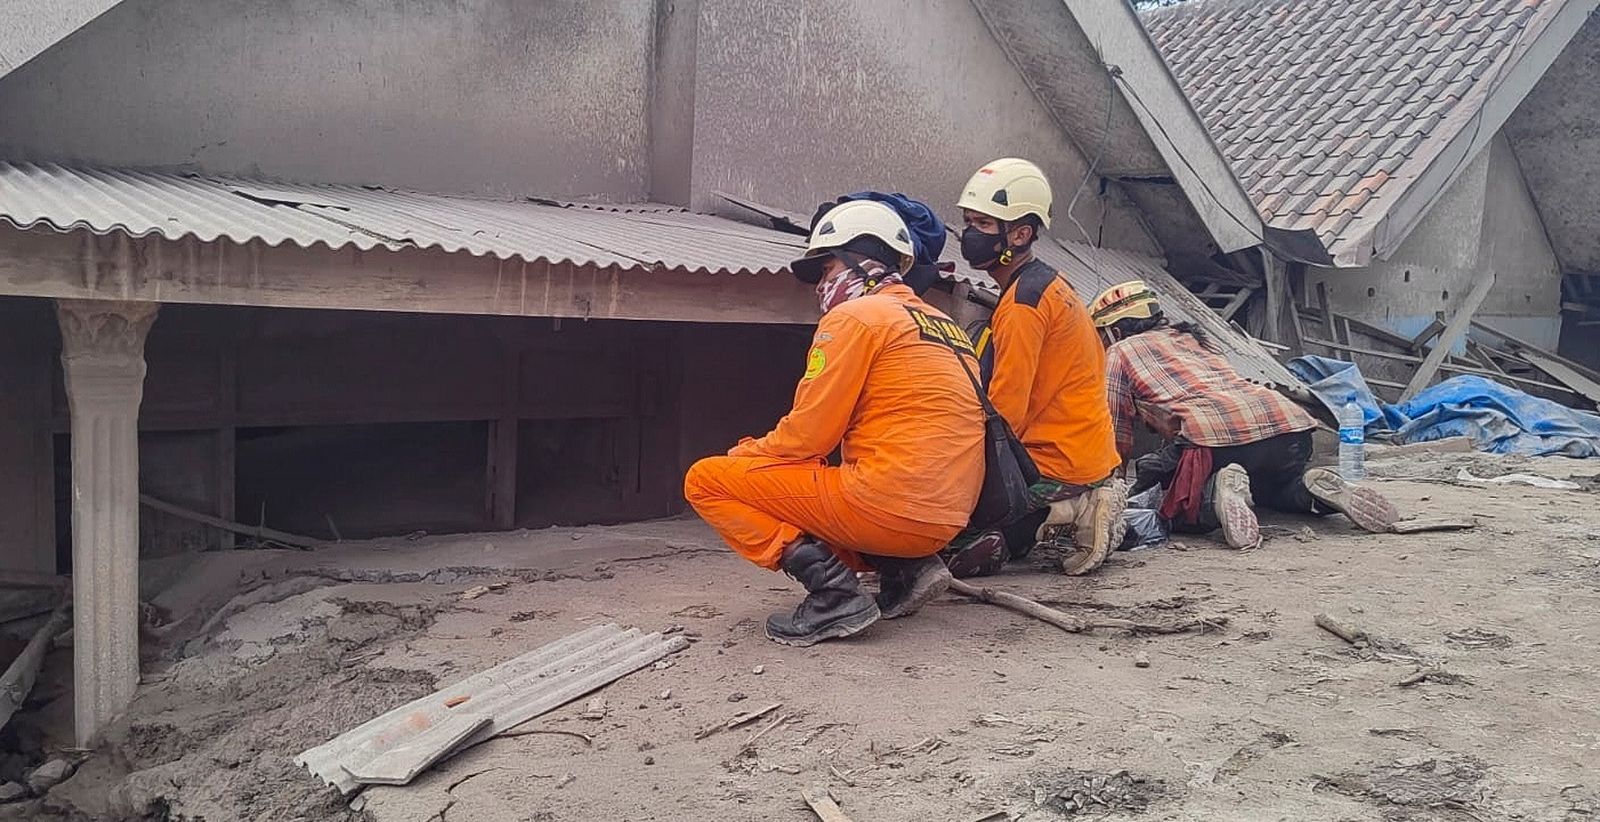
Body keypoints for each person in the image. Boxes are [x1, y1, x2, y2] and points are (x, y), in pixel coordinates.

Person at [683, 200, 986, 647]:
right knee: (837, 479)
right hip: (947, 520)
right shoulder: (946, 324)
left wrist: (745, 455)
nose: (819, 287)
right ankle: (905, 567)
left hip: (889, 508)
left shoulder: (855, 317)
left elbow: (808, 438)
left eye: (824, 272)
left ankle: (834, 595)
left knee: (707, 481)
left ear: (857, 264)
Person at [1088, 280, 1400, 548]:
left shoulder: (1119, 353)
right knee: (1273, 490)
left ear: (1115, 331)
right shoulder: (1196, 338)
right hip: (1289, 429)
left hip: (1214, 441)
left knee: (1163, 501)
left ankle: (1216, 492)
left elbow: (1114, 431)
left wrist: (1110, 489)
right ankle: (1310, 487)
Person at [941, 158, 1126, 578]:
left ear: (1021, 234)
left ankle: (1069, 507)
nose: (970, 234)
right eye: (969, 222)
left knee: (948, 536)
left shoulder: (1023, 305)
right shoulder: (1049, 285)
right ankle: (1061, 512)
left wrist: (958, 464)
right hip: (1085, 451)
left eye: (984, 225)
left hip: (1054, 459)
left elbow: (1006, 410)